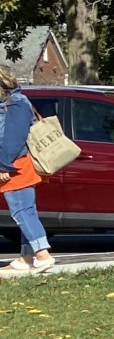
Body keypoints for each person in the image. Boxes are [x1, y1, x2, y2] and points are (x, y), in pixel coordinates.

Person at [0, 68, 56, 274]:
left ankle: (42, 255)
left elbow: (13, 139)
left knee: (21, 211)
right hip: (13, 163)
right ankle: (27, 257)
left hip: (15, 165)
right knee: (26, 210)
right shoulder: (11, 102)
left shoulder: (15, 103)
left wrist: (3, 165)